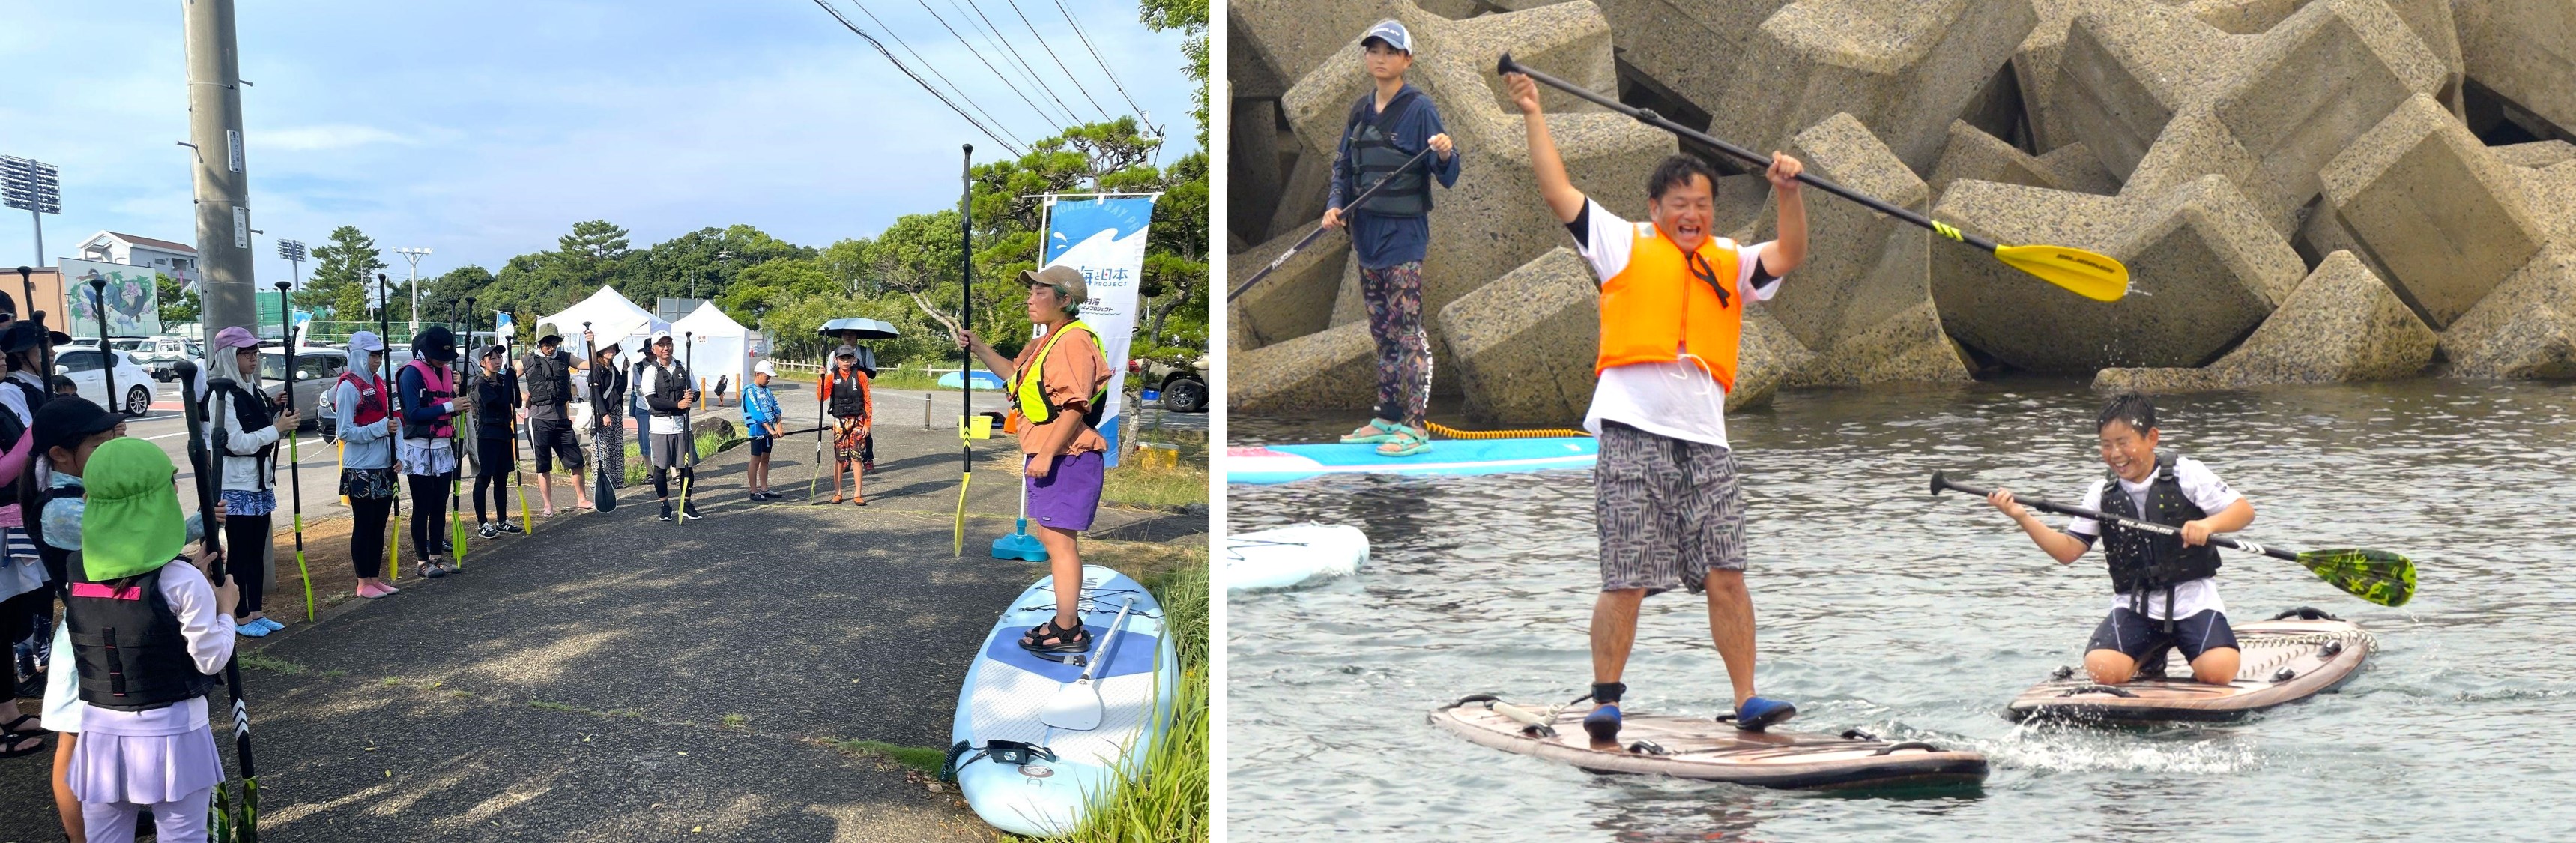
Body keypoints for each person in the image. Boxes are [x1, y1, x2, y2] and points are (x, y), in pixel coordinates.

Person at [1504, 67, 1809, 739]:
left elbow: (1790, 251)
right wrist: (1533, 112)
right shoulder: (1621, 244)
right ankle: (1606, 696)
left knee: (1727, 571)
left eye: (1701, 203)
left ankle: (1748, 697)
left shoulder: (1732, 260)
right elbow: (1558, 190)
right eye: (1679, 203)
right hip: (1632, 430)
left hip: (1706, 440)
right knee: (1628, 575)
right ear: (1655, 207)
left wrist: (1787, 190)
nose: (1691, 214)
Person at [1983, 393, 2254, 686]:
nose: (2115, 454)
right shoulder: (2101, 492)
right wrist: (2021, 517)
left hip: (2194, 603)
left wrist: (2207, 524)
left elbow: (2244, 511)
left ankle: (2193, 646)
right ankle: (2150, 658)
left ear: (2152, 438)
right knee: (2102, 672)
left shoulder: (2188, 474)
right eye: (2106, 445)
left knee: (2218, 673)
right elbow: (2068, 552)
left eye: (2124, 443)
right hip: (2136, 607)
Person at [56, 438, 232, 842]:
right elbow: (211, 660)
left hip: (100, 728)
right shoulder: (182, 581)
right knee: (183, 834)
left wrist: (192, 574)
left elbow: (126, 601)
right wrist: (224, 608)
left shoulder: (76, 570)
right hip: (174, 731)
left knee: (105, 836)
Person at [954, 265, 1110, 656]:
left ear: (1066, 300)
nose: (1030, 297)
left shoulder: (1073, 341)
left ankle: (1067, 628)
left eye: (1041, 291)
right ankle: (1066, 620)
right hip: (1050, 454)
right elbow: (1014, 376)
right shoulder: (1045, 342)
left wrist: (1045, 452)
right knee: (1051, 537)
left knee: (1060, 544)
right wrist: (980, 347)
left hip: (1067, 456)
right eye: (1031, 291)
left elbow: (1076, 405)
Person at [1323, 19, 1460, 458]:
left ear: (1407, 60)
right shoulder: (1360, 110)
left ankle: (1415, 426)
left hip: (1404, 235)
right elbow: (1343, 166)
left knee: (1407, 331)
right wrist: (1333, 205)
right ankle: (1386, 415)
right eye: (1373, 50)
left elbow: (1449, 174)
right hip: (1366, 236)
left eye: (1389, 51)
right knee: (1381, 330)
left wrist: (1444, 151)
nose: (1380, 58)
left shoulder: (1420, 108)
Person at [30, 396, 133, 840]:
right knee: (74, 743)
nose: (108, 450)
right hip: (83, 640)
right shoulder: (61, 507)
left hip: (110, 628)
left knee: (111, 738)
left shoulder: (85, 491)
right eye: (97, 444)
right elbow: (135, 539)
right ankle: (81, 836)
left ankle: (114, 819)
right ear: (60, 455)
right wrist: (192, 525)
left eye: (112, 438)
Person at [203, 326, 294, 638]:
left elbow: (255, 423)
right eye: (246, 353)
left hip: (259, 482)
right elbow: (235, 441)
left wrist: (273, 410)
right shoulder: (222, 394)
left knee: (257, 550)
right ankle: (239, 615)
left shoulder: (250, 388)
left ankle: (256, 611)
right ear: (230, 355)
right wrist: (276, 428)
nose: (254, 359)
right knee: (239, 553)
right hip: (237, 483)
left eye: (255, 352)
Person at [331, 332, 402, 599]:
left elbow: (396, 424)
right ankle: (363, 582)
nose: (377, 360)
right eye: (372, 355)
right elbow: (345, 432)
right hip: (360, 468)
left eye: (380, 355)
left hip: (384, 465)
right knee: (364, 525)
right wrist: (379, 428)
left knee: (379, 525)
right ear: (359, 355)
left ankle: (375, 577)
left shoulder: (381, 384)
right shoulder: (349, 387)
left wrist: (400, 455)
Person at [395, 327, 469, 578]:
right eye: (439, 356)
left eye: (446, 357)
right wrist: (450, 405)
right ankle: (422, 561)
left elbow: (445, 406)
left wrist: (457, 407)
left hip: (442, 446)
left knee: (439, 505)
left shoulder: (446, 372)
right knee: (423, 505)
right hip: (418, 448)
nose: (443, 361)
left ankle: (437, 557)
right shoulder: (411, 374)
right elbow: (413, 413)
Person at [515, 333, 592, 515]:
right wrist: (522, 396)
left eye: (555, 343)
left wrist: (593, 343)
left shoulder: (564, 358)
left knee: (576, 461)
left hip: (561, 419)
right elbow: (506, 380)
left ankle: (582, 499)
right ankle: (548, 505)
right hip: (538, 419)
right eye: (548, 344)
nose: (551, 347)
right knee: (543, 465)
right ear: (540, 343)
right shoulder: (527, 360)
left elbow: (590, 365)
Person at [639, 330, 702, 522]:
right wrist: (677, 405)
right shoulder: (650, 372)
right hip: (660, 427)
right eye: (662, 345)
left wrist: (692, 397)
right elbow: (652, 401)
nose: (666, 348)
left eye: (669, 344)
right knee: (661, 468)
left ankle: (687, 503)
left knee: (686, 467)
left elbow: (697, 392)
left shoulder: (684, 368)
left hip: (683, 426)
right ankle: (665, 506)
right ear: (654, 349)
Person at [471, 345, 524, 539]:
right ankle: (482, 523)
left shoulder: (502, 379)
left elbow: (516, 402)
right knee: (484, 478)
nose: (497, 361)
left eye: (499, 357)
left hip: (503, 431)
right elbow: (500, 404)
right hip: (487, 433)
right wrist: (509, 380)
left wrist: (512, 380)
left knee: (501, 478)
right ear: (483, 363)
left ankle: (502, 520)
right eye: (491, 358)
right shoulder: (480, 384)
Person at [818, 346, 872, 504]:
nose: (846, 362)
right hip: (839, 422)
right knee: (840, 458)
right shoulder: (831, 376)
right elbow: (822, 397)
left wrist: (867, 423)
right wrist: (821, 379)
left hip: (858, 421)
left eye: (849, 358)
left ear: (853, 359)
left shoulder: (861, 375)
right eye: (842, 359)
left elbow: (868, 401)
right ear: (836, 360)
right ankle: (838, 492)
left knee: (857, 457)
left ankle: (858, 493)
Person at [584, 331, 628, 501]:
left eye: (613, 348)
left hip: (616, 410)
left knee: (616, 446)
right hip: (603, 412)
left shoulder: (613, 368)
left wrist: (625, 371)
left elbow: (622, 388)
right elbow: (595, 393)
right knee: (602, 449)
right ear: (600, 351)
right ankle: (600, 481)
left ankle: (616, 480)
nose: (611, 350)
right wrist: (604, 414)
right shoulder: (596, 369)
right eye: (607, 348)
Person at [742, 360, 784, 501]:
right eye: (767, 376)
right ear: (758, 374)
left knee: (765, 459)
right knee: (756, 459)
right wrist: (770, 430)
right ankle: (753, 491)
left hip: (769, 431)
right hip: (757, 430)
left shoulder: (768, 391)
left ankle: (764, 488)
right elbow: (756, 413)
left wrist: (779, 425)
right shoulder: (750, 390)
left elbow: (776, 408)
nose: (769, 379)